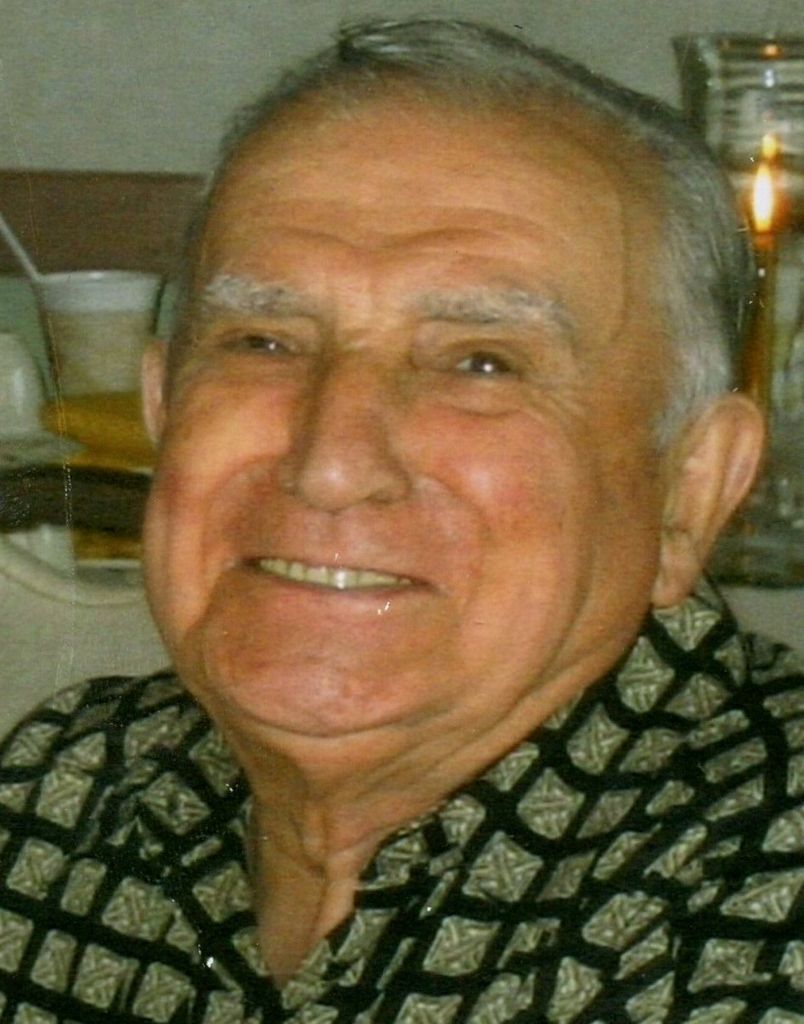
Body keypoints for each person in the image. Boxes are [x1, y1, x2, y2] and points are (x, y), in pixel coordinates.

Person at [1, 17, 802, 1023]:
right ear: (163, 412)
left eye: (481, 363)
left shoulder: (769, 900)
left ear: (691, 490)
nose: (330, 462)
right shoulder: (61, 793)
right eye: (262, 342)